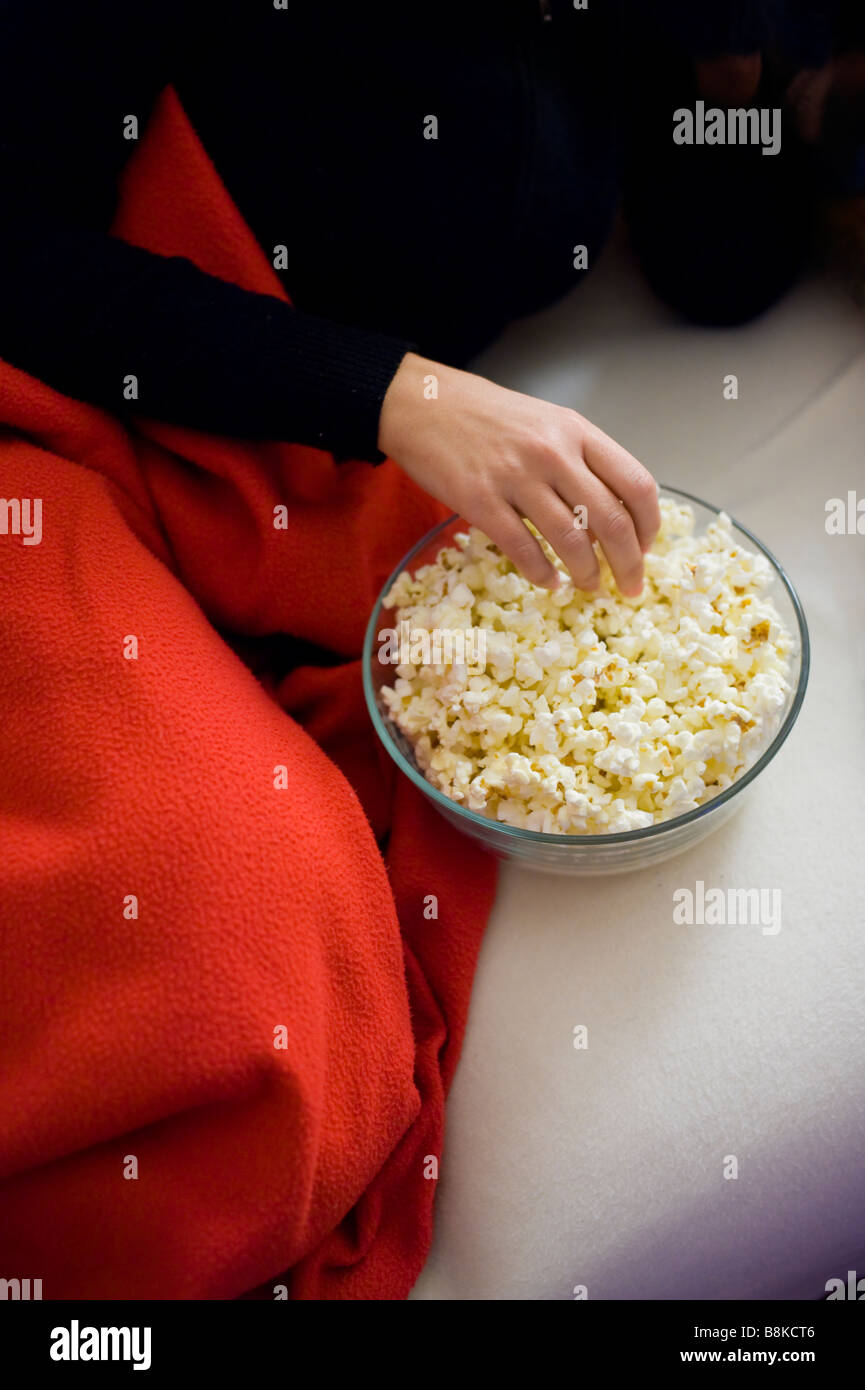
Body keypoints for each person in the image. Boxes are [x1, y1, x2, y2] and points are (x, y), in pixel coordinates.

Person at [0, 1, 841, 599]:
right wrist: (391, 394)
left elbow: (721, 267)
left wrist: (727, 42)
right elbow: (22, 254)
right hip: (181, 402)